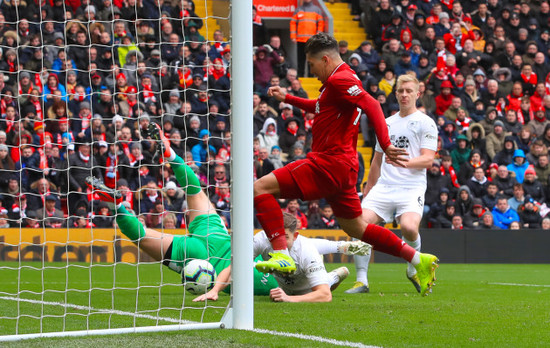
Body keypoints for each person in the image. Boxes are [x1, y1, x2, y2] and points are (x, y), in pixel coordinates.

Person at [87, 124, 371, 301]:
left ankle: (171, 155)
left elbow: (307, 245)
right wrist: (213, 290)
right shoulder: (281, 272)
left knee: (193, 189)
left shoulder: (270, 239)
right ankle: (117, 206)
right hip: (204, 261)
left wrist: (341, 246)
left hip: (216, 234)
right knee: (142, 237)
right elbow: (307, 272)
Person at [253, 33, 439, 296]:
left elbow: (373, 104)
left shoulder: (340, 79)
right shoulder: (340, 79)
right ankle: (418, 259)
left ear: (326, 59)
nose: (313, 72)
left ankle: (281, 253)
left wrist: (385, 145)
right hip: (343, 168)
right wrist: (288, 98)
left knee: (260, 188)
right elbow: (319, 106)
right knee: (357, 228)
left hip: (328, 163)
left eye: (313, 65)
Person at [355, 73, 439, 294]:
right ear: (396, 93)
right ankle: (361, 280)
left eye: (409, 91)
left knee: (409, 228)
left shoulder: (426, 122)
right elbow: (377, 160)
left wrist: (404, 162)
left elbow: (428, 159)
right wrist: (368, 189)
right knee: (359, 226)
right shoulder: (387, 122)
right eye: (400, 91)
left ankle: (413, 267)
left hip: (411, 188)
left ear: (417, 94)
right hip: (384, 186)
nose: (404, 95)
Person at [290, 0, 325, 77]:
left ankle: (310, 76)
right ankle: (300, 77)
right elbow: (293, 23)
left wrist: (317, 37)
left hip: (312, 41)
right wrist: (293, 36)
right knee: (301, 60)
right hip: (300, 40)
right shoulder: (298, 9)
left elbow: (320, 23)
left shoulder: (317, 9)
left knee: (311, 60)